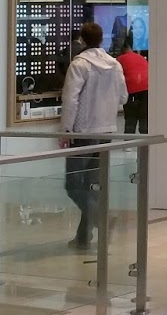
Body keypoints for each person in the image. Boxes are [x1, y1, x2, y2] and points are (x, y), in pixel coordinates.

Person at [61, 21, 128, 250]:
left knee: (74, 185)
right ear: (102, 39)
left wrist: (66, 129)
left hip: (83, 131)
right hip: (107, 130)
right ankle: (83, 236)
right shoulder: (115, 65)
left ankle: (102, 220)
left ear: (82, 39)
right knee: (92, 186)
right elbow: (124, 97)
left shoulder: (79, 64)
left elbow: (70, 99)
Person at [118, 31, 150, 135]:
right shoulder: (141, 58)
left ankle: (128, 142)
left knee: (130, 117)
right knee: (144, 116)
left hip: (131, 89)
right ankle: (145, 140)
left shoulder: (119, 59)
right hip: (146, 88)